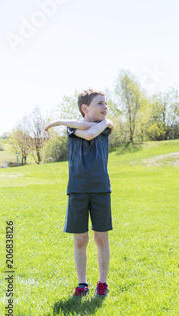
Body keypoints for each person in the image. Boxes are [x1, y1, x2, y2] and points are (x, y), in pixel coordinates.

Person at [44, 89, 113, 298]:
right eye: (100, 103)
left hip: (101, 188)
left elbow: (92, 132)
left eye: (105, 103)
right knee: (80, 240)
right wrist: (62, 123)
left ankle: (102, 283)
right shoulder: (72, 129)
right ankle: (82, 284)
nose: (105, 107)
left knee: (101, 238)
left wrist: (59, 121)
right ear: (85, 108)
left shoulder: (105, 127)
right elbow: (86, 129)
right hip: (77, 189)